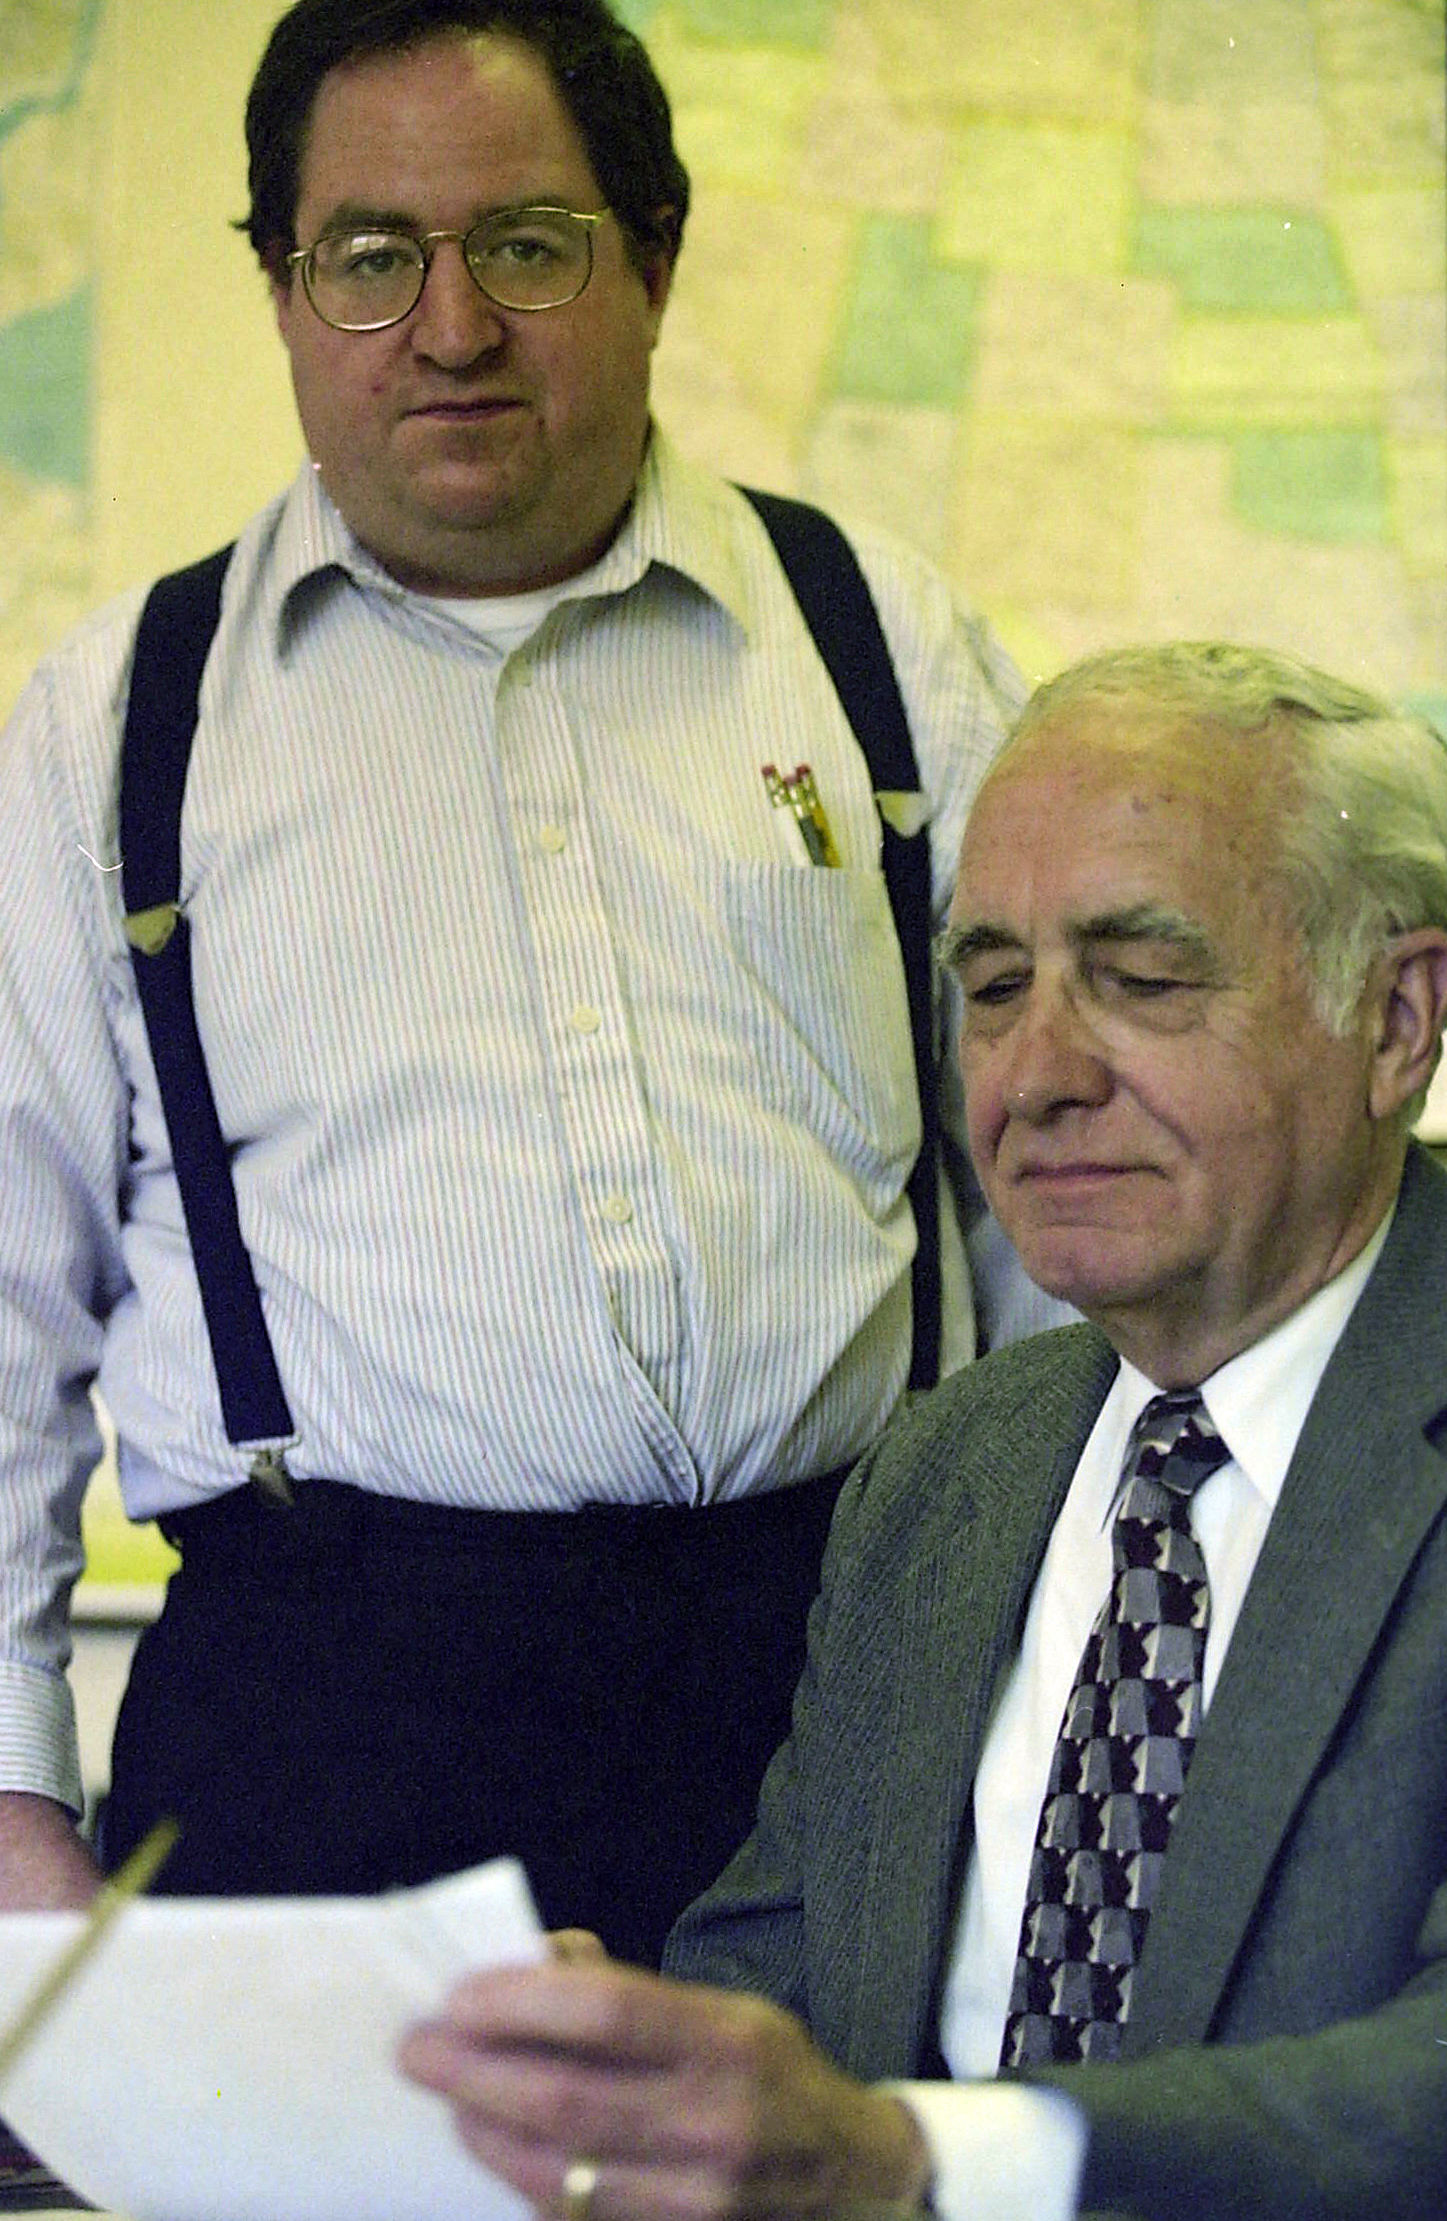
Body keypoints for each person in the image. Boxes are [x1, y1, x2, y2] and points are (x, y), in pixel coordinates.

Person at [0, 0, 1054, 1960]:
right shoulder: (111, 726)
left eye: (528, 244)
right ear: (284, 288)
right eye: (370, 256)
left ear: (656, 254)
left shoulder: (886, 647)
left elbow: (1041, 1200)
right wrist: (9, 1809)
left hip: (848, 1688)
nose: (452, 326)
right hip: (321, 1726)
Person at [396, 642, 1447, 2221]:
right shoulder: (950, 1466)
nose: (1040, 1074)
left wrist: (927, 2163)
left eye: (1143, 978)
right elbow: (782, 1997)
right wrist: (633, 2079)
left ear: (1397, 1018)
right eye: (996, 986)